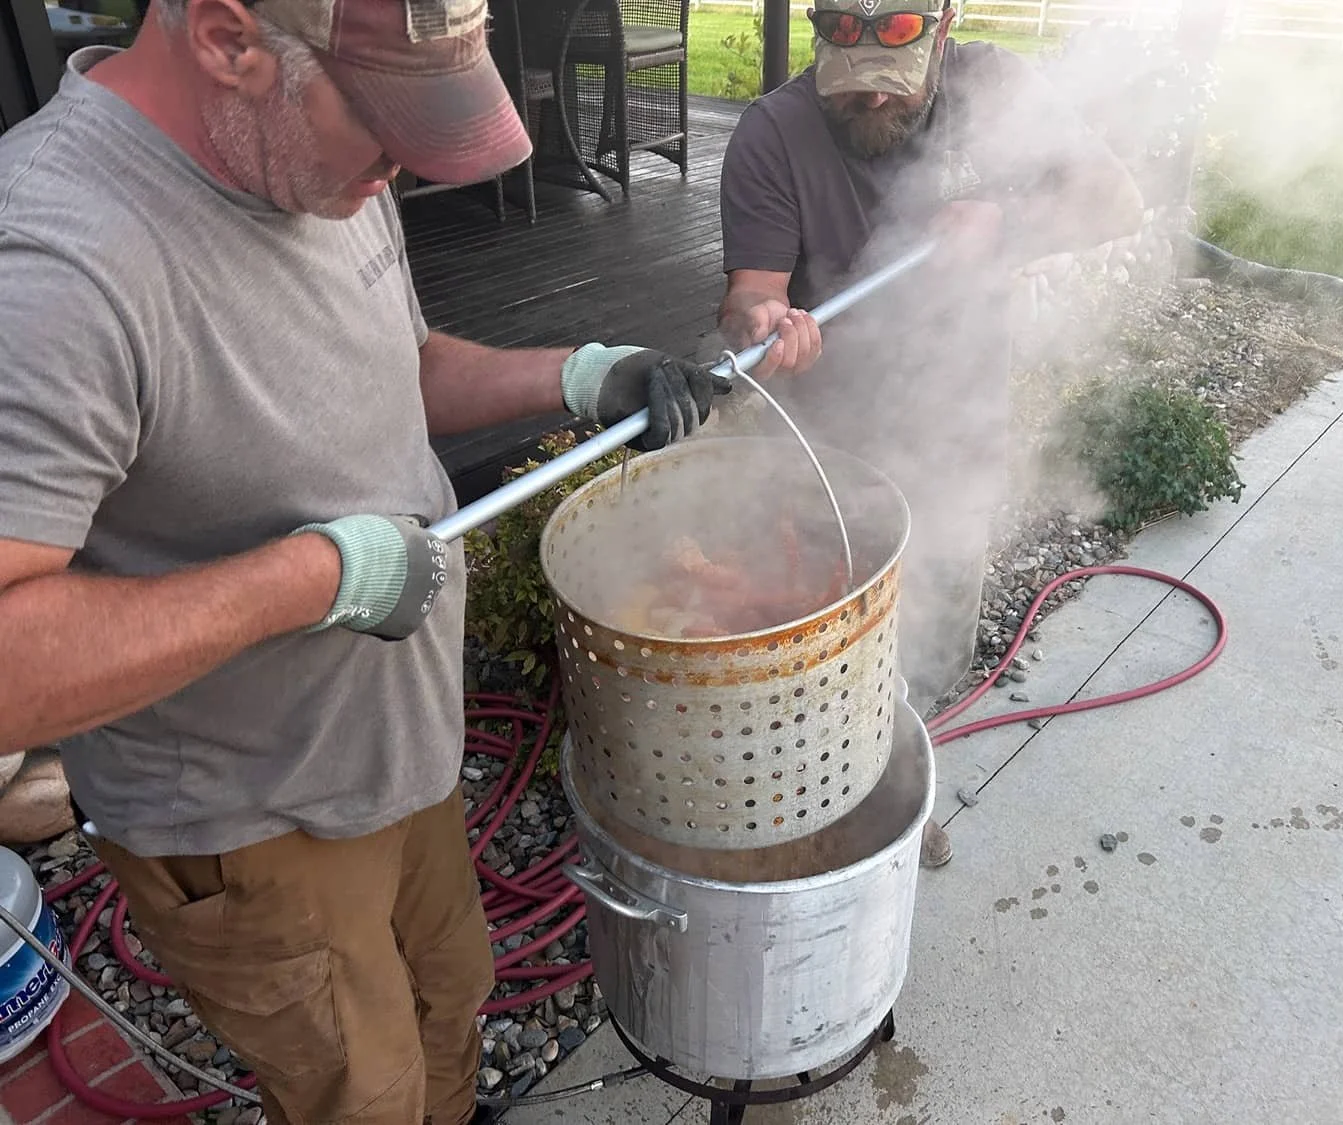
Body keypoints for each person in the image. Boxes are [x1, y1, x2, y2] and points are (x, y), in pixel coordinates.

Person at [0, 1, 725, 1122]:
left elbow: (403, 363)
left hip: (397, 750)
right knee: (361, 1093)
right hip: (255, 821)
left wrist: (578, 375)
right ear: (229, 37)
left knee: (449, 1007)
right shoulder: (52, 261)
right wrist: (314, 581)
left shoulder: (309, 157)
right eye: (385, 127)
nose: (402, 171)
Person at [716, 0, 1146, 867]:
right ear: (818, 32)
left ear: (939, 30)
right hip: (824, 451)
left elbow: (1119, 202)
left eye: (890, 88)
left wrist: (1007, 223)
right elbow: (746, 299)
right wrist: (761, 317)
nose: (870, 103)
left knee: (933, 640)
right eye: (850, 88)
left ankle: (898, 781)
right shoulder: (774, 132)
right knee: (818, 652)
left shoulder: (997, 87)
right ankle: (812, 804)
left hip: (955, 432)